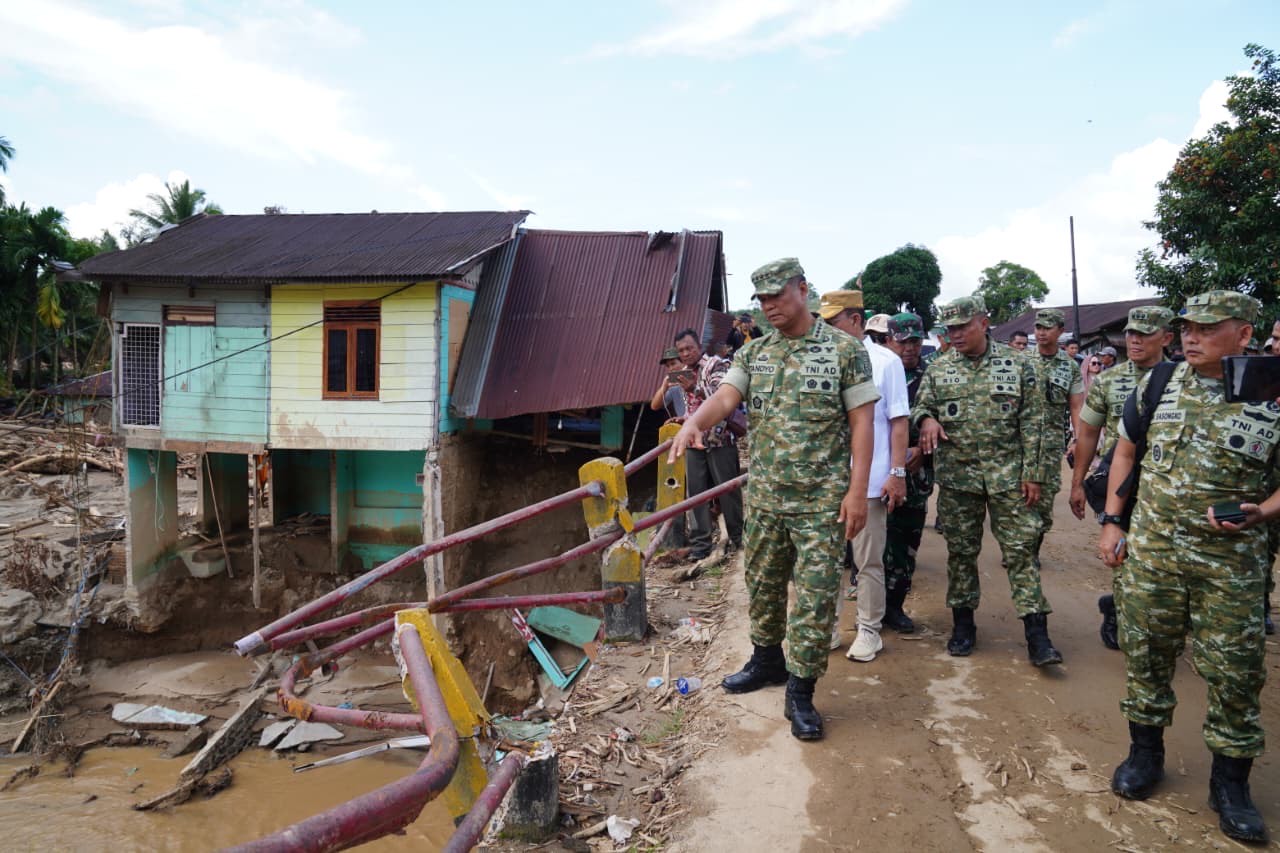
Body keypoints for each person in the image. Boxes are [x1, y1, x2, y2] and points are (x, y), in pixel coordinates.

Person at [669, 258, 878, 741]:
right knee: (761, 586)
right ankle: (767, 661)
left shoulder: (845, 351)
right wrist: (696, 422)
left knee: (816, 597)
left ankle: (801, 692)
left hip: (822, 502)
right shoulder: (755, 352)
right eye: (761, 299)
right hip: (764, 497)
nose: (768, 307)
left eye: (776, 296)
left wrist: (856, 492)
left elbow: (862, 424)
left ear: (802, 290)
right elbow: (725, 396)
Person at [1099, 291, 1274, 844]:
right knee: (1146, 651)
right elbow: (1125, 452)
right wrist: (1112, 521)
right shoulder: (1157, 383)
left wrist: (1263, 512)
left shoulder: (1275, 392)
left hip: (1232, 563)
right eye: (1187, 327)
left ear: (1244, 333)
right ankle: (1144, 755)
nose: (1190, 337)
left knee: (1236, 671)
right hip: (1154, 552)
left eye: (1207, 327)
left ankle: (1231, 785)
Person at [913, 294, 1061, 666]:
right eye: (950, 329)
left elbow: (1034, 424)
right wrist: (926, 420)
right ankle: (963, 626)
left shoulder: (1019, 365)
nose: (956, 334)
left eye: (963, 326)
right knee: (961, 553)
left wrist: (1035, 474)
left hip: (1009, 477)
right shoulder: (938, 367)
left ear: (983, 322)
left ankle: (1037, 635)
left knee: (1021, 552)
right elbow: (921, 406)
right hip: (959, 479)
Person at [1069, 306, 1173, 650]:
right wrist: (1078, 483)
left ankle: (1128, 606)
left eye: (1144, 333)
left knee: (1166, 560)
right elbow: (1087, 433)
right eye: (1130, 333)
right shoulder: (1109, 380)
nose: (1134, 339)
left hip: (1169, 485)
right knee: (1123, 553)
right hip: (1122, 482)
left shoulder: (1184, 379)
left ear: (1167, 338)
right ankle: (1120, 609)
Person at [819, 292, 908, 661]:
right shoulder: (820, 359)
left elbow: (898, 421)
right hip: (826, 480)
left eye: (833, 322)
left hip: (870, 480)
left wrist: (896, 472)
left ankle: (870, 629)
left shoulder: (886, 362)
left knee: (867, 560)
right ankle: (828, 627)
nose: (824, 330)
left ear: (856, 320)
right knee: (824, 558)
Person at [674, 328, 744, 559]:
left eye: (689, 348)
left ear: (699, 346)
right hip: (695, 443)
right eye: (681, 350)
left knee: (728, 491)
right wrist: (683, 420)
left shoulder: (716, 365)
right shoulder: (684, 372)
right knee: (696, 495)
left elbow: (720, 397)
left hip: (720, 439)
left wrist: (694, 387)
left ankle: (738, 540)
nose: (685, 353)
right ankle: (701, 546)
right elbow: (692, 408)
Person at [882, 312, 932, 632]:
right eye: (904, 342)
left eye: (915, 341)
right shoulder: (879, 373)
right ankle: (873, 606)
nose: (910, 348)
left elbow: (949, 424)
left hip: (917, 476)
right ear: (889, 341)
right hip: (879, 472)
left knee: (907, 545)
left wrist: (926, 451)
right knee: (877, 543)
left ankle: (895, 606)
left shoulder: (933, 377)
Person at [1027, 309, 1084, 573]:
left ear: (1061, 331)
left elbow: (1076, 407)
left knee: (1044, 502)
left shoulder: (1070, 366)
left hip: (1050, 446)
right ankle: (1019, 550)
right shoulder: (1021, 360)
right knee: (1017, 500)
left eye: (1047, 328)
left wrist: (1077, 438)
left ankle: (1033, 549)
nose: (1041, 332)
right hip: (1020, 444)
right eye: (1038, 327)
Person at [649, 347, 690, 420]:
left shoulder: (696, 376)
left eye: (673, 364)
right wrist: (664, 387)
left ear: (683, 362)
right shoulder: (673, 386)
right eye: (668, 366)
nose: (671, 368)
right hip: (686, 426)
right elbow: (654, 406)